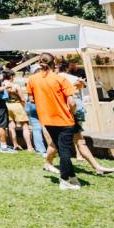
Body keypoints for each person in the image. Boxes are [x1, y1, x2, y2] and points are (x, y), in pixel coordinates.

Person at [27, 53, 81, 190]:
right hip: (64, 119)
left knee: (60, 148)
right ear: (54, 63)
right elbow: (72, 102)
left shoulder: (32, 79)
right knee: (65, 152)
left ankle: (72, 177)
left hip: (47, 119)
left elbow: (31, 99)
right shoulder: (60, 79)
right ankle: (64, 181)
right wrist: (72, 113)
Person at [52, 62, 114, 176]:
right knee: (55, 144)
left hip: (66, 116)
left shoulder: (57, 79)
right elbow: (74, 98)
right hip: (64, 115)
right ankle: (48, 163)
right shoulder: (60, 80)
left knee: (80, 142)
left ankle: (97, 167)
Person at [2, 70, 31, 152]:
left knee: (11, 126)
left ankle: (15, 145)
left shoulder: (2, 84)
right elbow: (22, 99)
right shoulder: (15, 85)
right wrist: (24, 103)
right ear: (11, 76)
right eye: (13, 76)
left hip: (7, 105)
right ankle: (29, 147)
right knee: (25, 126)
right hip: (17, 105)